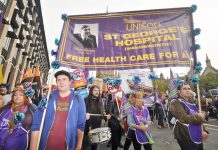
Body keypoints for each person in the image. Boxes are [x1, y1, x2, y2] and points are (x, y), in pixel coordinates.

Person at [30, 70, 86, 150]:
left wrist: (79, 145)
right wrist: (33, 147)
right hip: (45, 145)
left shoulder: (78, 99)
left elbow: (81, 125)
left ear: (70, 82)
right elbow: (36, 123)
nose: (61, 82)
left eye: (64, 79)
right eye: (58, 80)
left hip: (67, 146)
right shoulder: (47, 98)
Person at [171, 82, 209, 150]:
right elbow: (183, 118)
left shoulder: (192, 102)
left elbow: (199, 117)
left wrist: (204, 130)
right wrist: (199, 116)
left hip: (197, 132)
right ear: (179, 91)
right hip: (185, 135)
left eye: (189, 88)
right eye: (184, 88)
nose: (187, 90)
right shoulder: (176, 102)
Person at [82, 85, 111, 150]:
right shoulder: (85, 100)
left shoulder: (100, 101)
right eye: (95, 90)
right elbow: (80, 113)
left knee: (95, 147)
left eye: (98, 90)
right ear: (91, 91)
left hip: (97, 128)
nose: (97, 92)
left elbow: (102, 113)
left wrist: (106, 116)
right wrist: (84, 115)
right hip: (87, 128)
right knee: (86, 147)